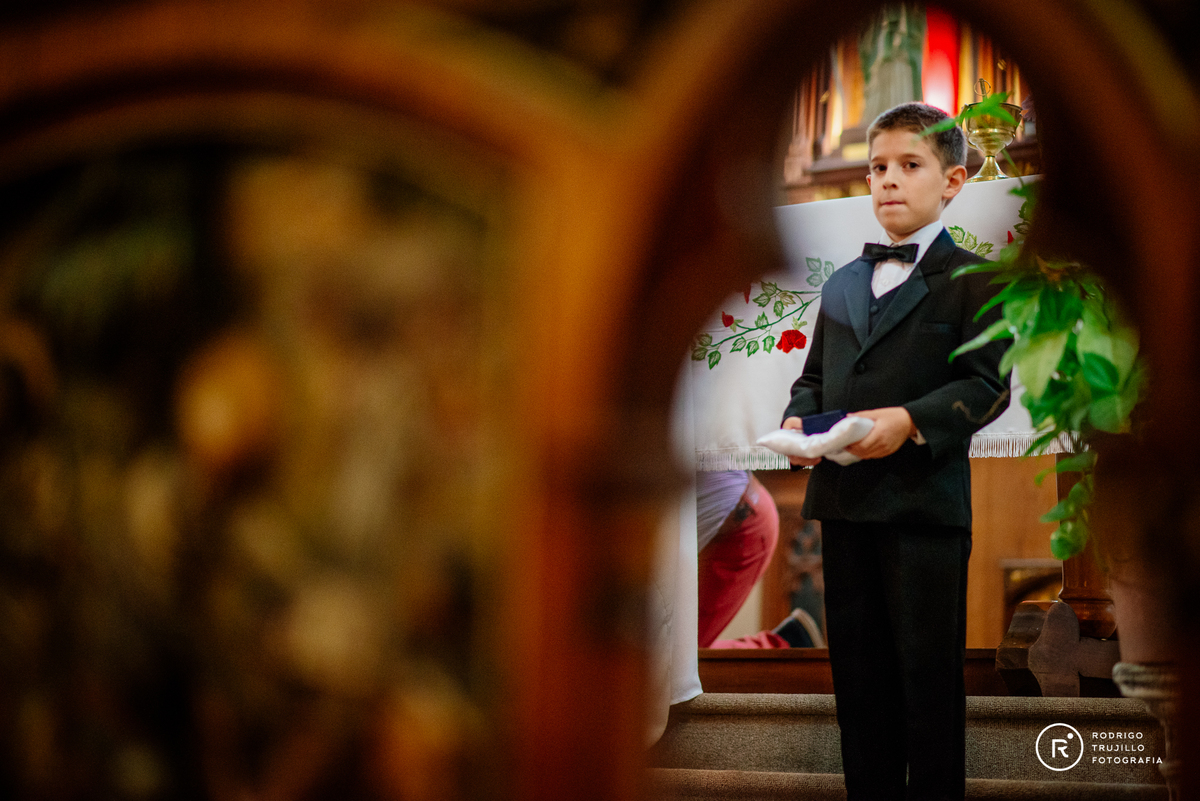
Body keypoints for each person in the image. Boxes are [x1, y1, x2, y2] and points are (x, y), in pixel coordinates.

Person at [780, 102, 1009, 800]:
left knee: (927, 685)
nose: (888, 180)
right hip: (846, 509)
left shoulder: (974, 278)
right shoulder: (844, 282)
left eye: (910, 166)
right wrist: (795, 425)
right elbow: (814, 377)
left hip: (922, 509)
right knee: (860, 685)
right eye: (878, 167)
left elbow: (987, 384)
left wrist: (909, 419)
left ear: (954, 180)